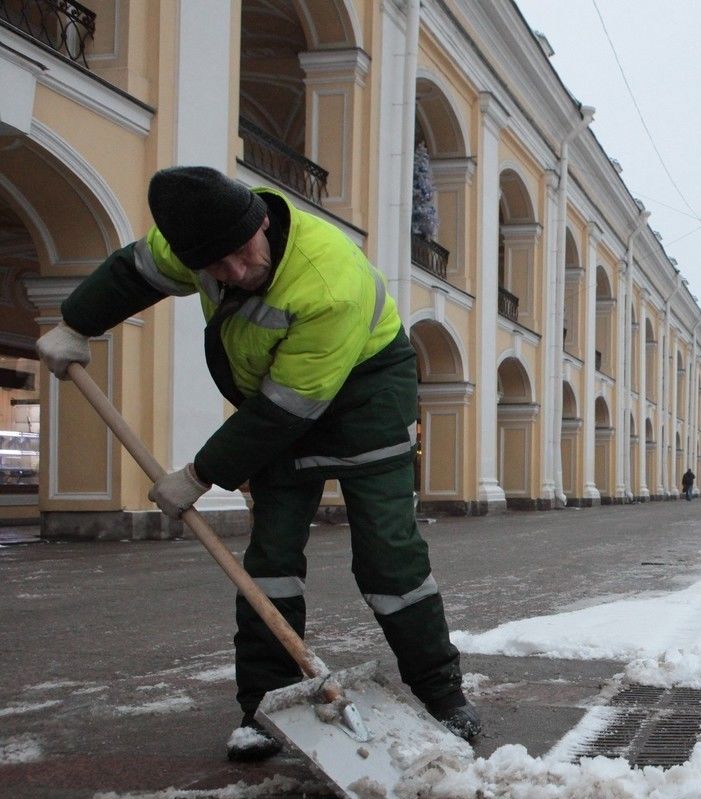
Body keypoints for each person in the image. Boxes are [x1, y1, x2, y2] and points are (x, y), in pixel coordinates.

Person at [35, 166, 479, 761]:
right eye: (218, 267)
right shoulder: (195, 240)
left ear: (262, 221)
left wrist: (197, 475)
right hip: (277, 390)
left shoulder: (328, 283)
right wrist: (75, 322)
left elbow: (283, 413)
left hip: (366, 395)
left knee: (388, 556)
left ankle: (442, 694)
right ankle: (266, 708)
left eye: (244, 254)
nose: (238, 273)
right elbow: (134, 273)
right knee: (268, 559)